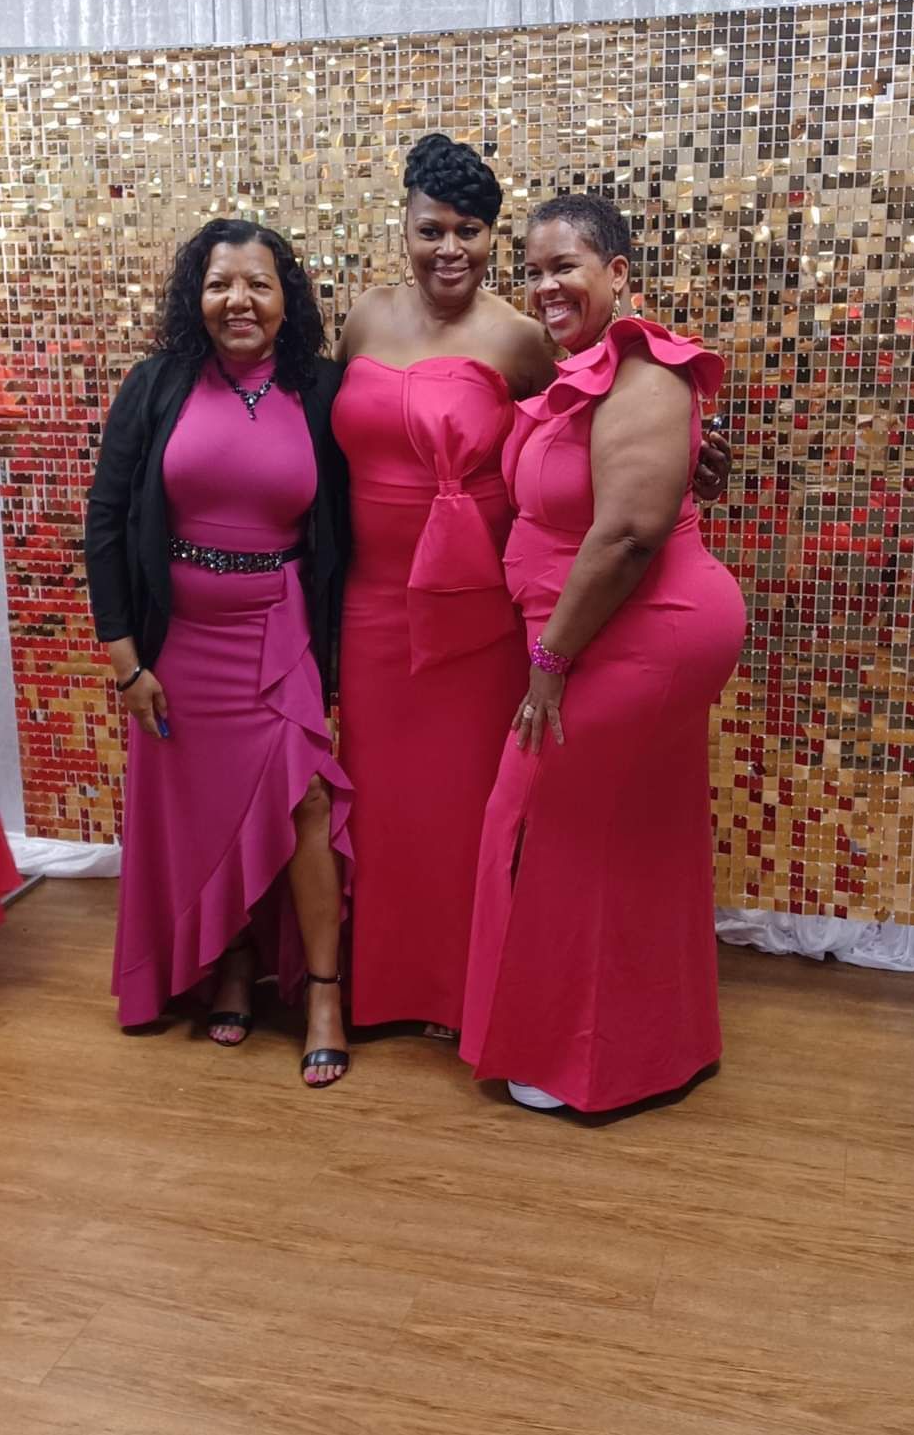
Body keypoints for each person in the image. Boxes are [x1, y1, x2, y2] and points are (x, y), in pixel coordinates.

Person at [332, 135, 731, 1040]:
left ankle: (460, 995)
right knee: (385, 799)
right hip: (371, 602)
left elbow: (600, 418)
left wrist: (690, 459)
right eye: (430, 228)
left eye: (470, 231)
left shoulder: (522, 335)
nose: (449, 249)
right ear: (402, 226)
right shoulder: (361, 322)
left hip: (477, 611)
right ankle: (380, 986)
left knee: (470, 804)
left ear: (489, 237)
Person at [460, 193, 747, 1114]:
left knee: (542, 816)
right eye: (534, 270)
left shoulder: (642, 368)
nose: (545, 286)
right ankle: (653, 1042)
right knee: (632, 836)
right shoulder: (582, 376)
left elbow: (626, 534)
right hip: (613, 628)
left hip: (642, 629)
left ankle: (576, 1053)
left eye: (565, 267)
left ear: (617, 274)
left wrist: (551, 662)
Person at [85, 219, 353, 1087]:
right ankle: (232, 966)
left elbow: (355, 519)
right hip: (179, 646)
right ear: (195, 297)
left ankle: (322, 992)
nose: (238, 300)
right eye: (219, 284)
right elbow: (106, 522)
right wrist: (127, 659)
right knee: (206, 811)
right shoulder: (156, 385)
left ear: (287, 300)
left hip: (278, 636)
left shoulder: (321, 389)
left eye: (259, 284)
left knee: (308, 802)